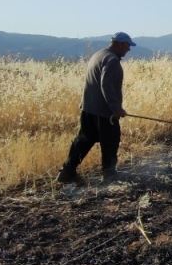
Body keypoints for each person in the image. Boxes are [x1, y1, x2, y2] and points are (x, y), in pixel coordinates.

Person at [56, 32, 135, 184]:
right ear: (118, 44)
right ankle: (109, 175)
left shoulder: (98, 55)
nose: (128, 49)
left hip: (88, 108)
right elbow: (106, 85)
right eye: (127, 46)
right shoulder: (112, 60)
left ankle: (67, 171)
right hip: (104, 112)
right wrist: (116, 108)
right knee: (111, 141)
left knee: (84, 140)